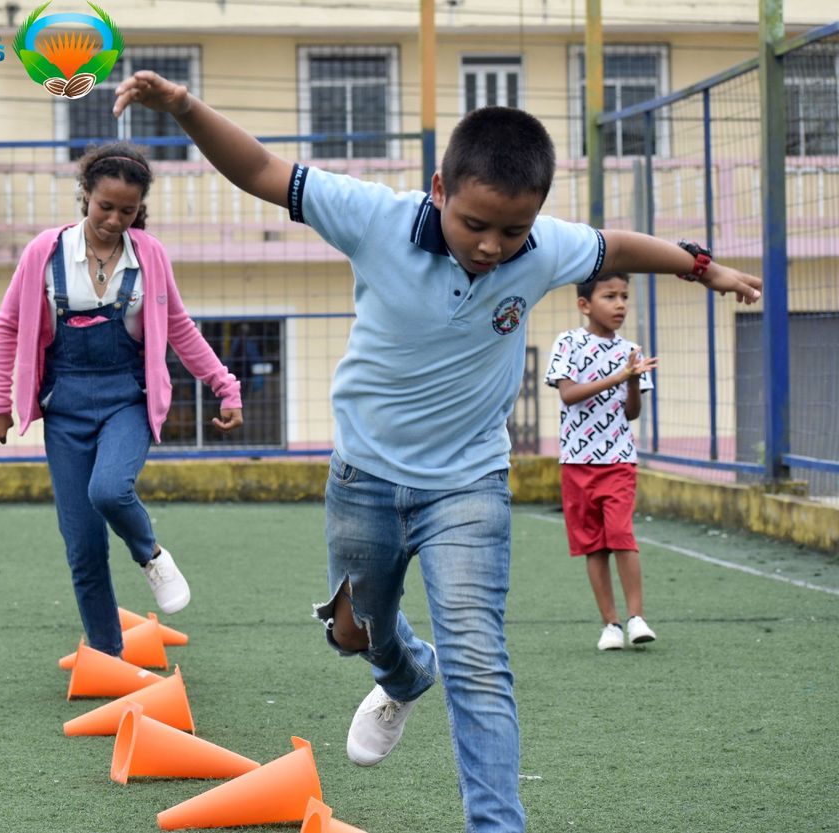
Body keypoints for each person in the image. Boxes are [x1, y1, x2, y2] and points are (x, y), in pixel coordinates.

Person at [112, 71, 762, 833]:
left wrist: (701, 266)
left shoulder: (544, 248)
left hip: (469, 484)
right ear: (439, 190)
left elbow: (615, 244)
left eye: (512, 231)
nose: (492, 246)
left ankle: (496, 823)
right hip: (364, 475)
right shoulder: (374, 218)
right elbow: (260, 168)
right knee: (352, 632)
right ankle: (403, 672)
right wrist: (183, 106)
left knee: (478, 661)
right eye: (475, 223)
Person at [0, 142, 243, 657]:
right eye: (105, 206)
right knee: (82, 546)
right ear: (85, 194)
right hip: (64, 405)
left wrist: (224, 385)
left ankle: (151, 555)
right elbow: (7, 326)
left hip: (128, 399)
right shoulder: (44, 253)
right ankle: (108, 655)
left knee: (109, 490)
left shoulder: (149, 256)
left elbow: (179, 327)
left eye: (127, 211)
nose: (114, 220)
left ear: (139, 209)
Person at [545, 272, 658, 651]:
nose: (620, 304)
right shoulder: (568, 342)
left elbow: (632, 413)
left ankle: (636, 618)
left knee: (622, 535)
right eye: (610, 296)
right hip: (576, 462)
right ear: (584, 304)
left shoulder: (631, 351)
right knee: (593, 545)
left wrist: (632, 381)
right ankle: (610, 624)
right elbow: (569, 394)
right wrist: (619, 376)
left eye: (624, 296)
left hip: (619, 460)